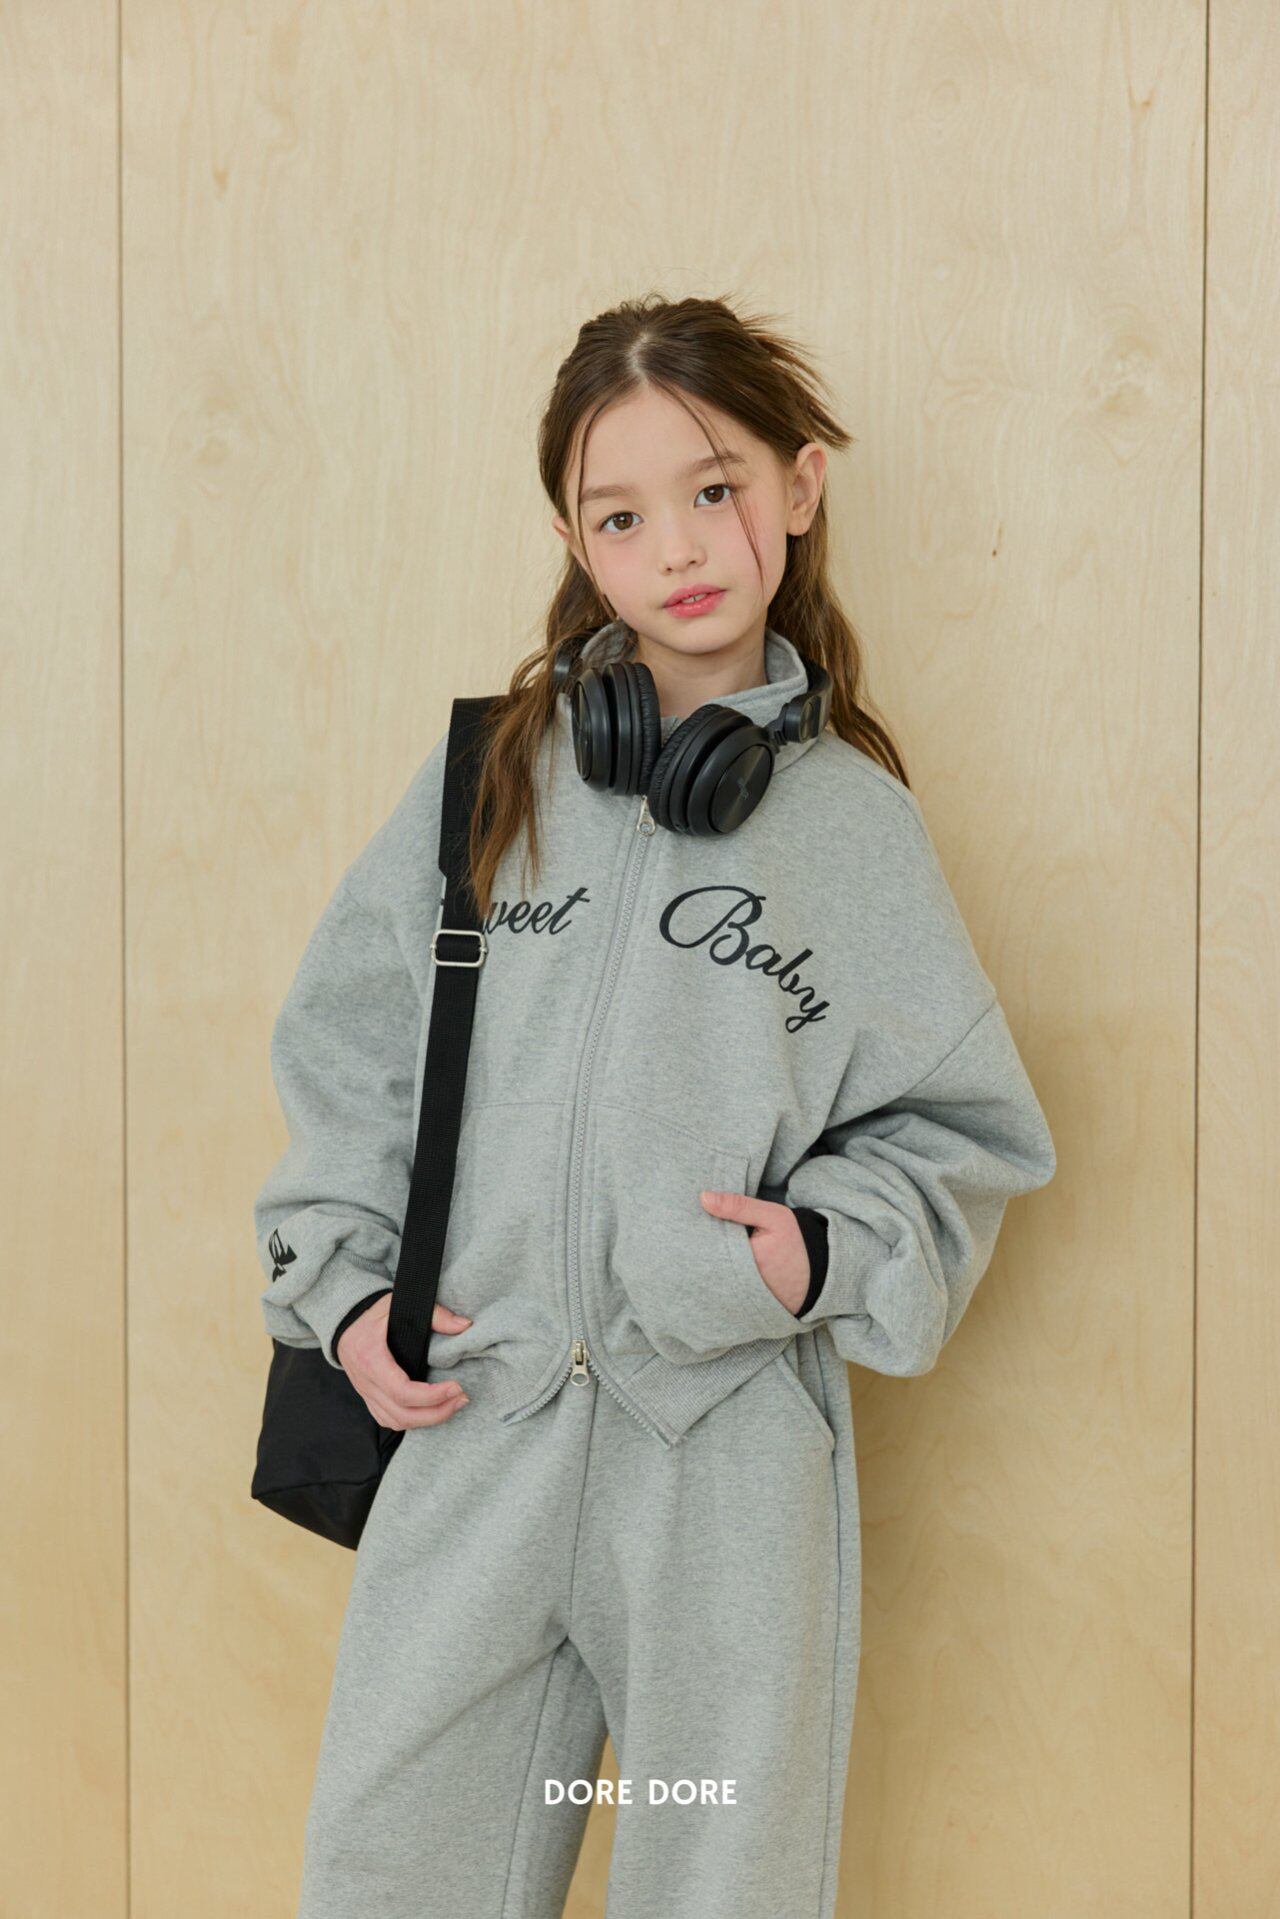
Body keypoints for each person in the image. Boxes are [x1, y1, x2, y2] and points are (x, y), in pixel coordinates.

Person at [252, 293, 1057, 1919]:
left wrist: (810, 1256)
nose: (678, 546)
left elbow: (959, 1132)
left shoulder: (853, 830)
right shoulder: (490, 780)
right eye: (621, 516)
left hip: (723, 1465)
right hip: (476, 1419)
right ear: (575, 541)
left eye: (714, 488)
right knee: (391, 1870)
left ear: (799, 487)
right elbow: (352, 1051)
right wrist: (342, 1300)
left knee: (720, 1880)